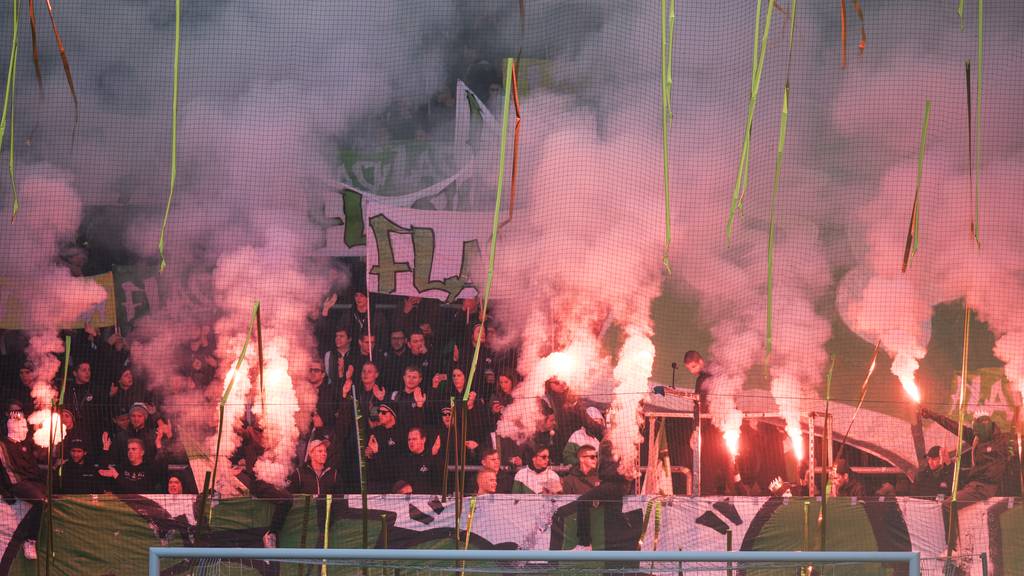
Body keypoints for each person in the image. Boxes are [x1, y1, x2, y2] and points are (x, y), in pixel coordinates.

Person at [920, 407, 1013, 500]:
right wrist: (932, 415)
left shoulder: (1001, 442)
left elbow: (994, 472)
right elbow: (953, 426)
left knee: (948, 505)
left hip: (986, 487)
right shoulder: (976, 438)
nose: (976, 434)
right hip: (975, 485)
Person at [0, 413, 45, 559]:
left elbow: (36, 462)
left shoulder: (25, 444)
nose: (26, 430)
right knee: (40, 501)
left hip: (32, 481)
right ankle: (30, 540)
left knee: (48, 499)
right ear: (13, 428)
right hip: (17, 484)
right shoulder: (2, 446)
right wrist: (5, 491)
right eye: (23, 427)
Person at [399, 427, 442, 494]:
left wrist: (413, 489)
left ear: (423, 440)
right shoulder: (404, 460)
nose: (411, 442)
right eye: (409, 440)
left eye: (414, 439)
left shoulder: (433, 458)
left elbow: (436, 484)